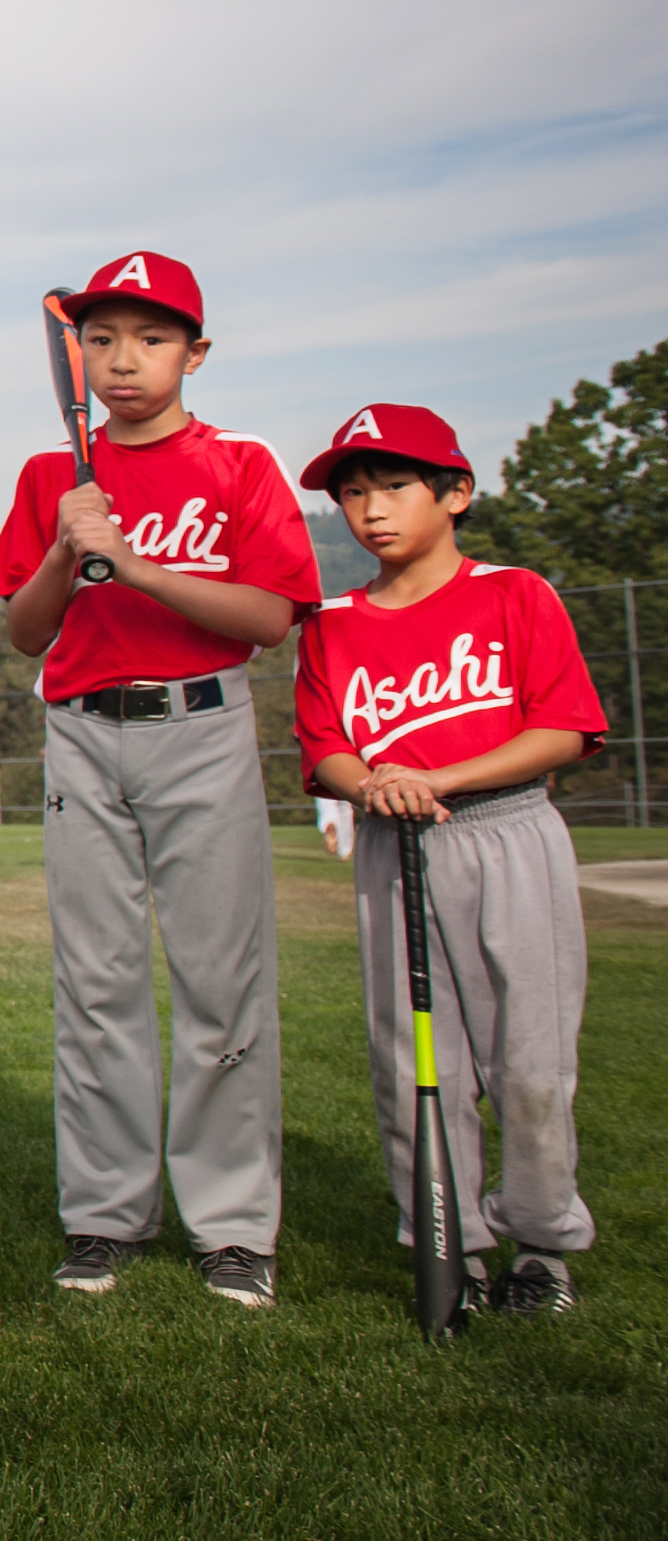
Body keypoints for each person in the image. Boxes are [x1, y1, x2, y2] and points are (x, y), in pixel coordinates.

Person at [0, 252, 319, 1309]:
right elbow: (29, 631)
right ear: (76, 351)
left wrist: (126, 559)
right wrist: (65, 551)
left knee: (220, 981)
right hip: (82, 728)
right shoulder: (52, 475)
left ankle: (230, 1225)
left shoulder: (237, 462)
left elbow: (267, 618)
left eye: (151, 337)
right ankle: (103, 1215)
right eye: (101, 338)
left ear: (195, 352)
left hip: (201, 722)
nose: (122, 359)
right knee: (96, 983)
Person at [291, 403, 605, 1319]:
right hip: (397, 842)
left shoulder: (513, 592)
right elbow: (323, 749)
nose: (370, 508)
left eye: (392, 485)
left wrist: (435, 774)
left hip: (507, 831)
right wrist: (370, 784)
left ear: (455, 491)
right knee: (415, 1060)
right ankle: (451, 1241)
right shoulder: (332, 623)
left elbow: (564, 726)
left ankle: (542, 1242)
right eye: (351, 492)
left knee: (531, 1061)